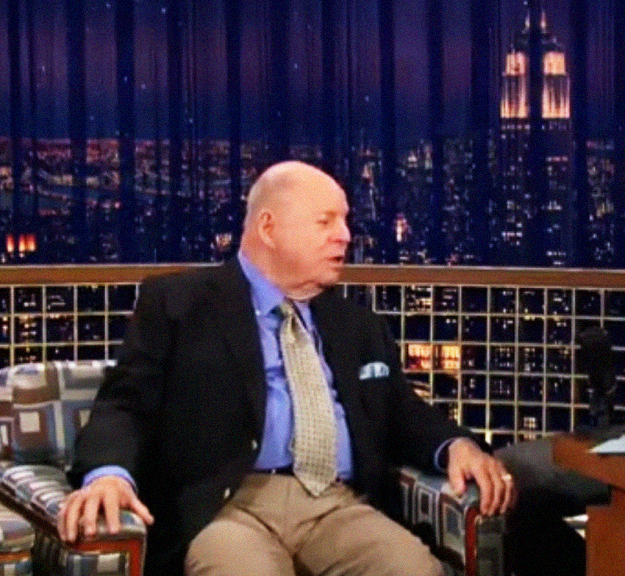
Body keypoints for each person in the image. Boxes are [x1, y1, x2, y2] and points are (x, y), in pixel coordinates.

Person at [58, 161, 513, 576]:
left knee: (414, 569)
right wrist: (109, 475)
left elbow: (400, 410)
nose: (345, 236)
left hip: (337, 504)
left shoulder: (355, 322)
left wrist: (455, 445)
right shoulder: (180, 304)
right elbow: (125, 404)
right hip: (227, 506)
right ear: (269, 228)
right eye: (325, 222)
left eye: (345, 220)